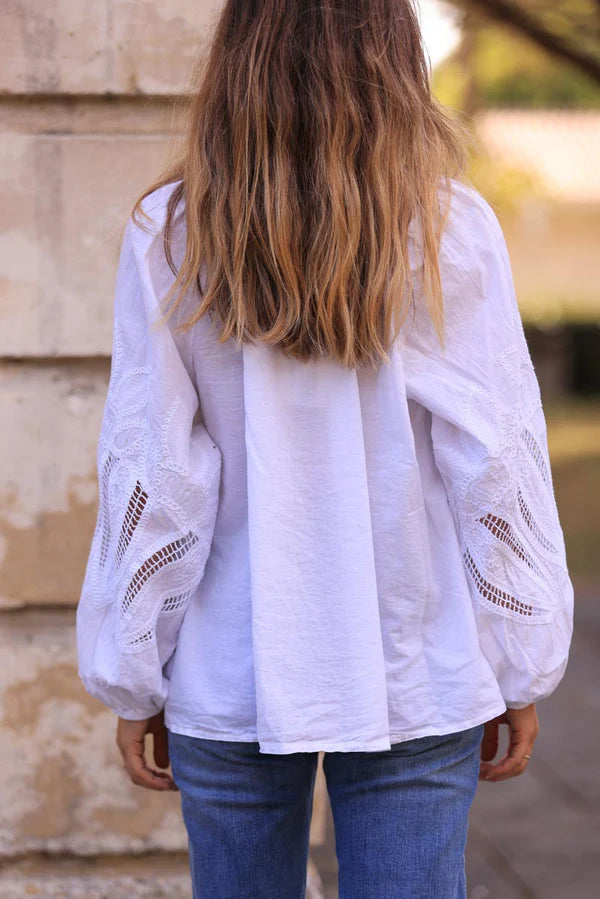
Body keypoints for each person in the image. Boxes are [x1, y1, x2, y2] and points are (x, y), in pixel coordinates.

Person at [75, 1, 574, 897]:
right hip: (412, 660)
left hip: (231, 662)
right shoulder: (449, 229)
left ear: (238, 61)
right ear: (394, 61)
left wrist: (135, 670)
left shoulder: (173, 231)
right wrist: (520, 654)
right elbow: (495, 460)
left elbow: (157, 472)